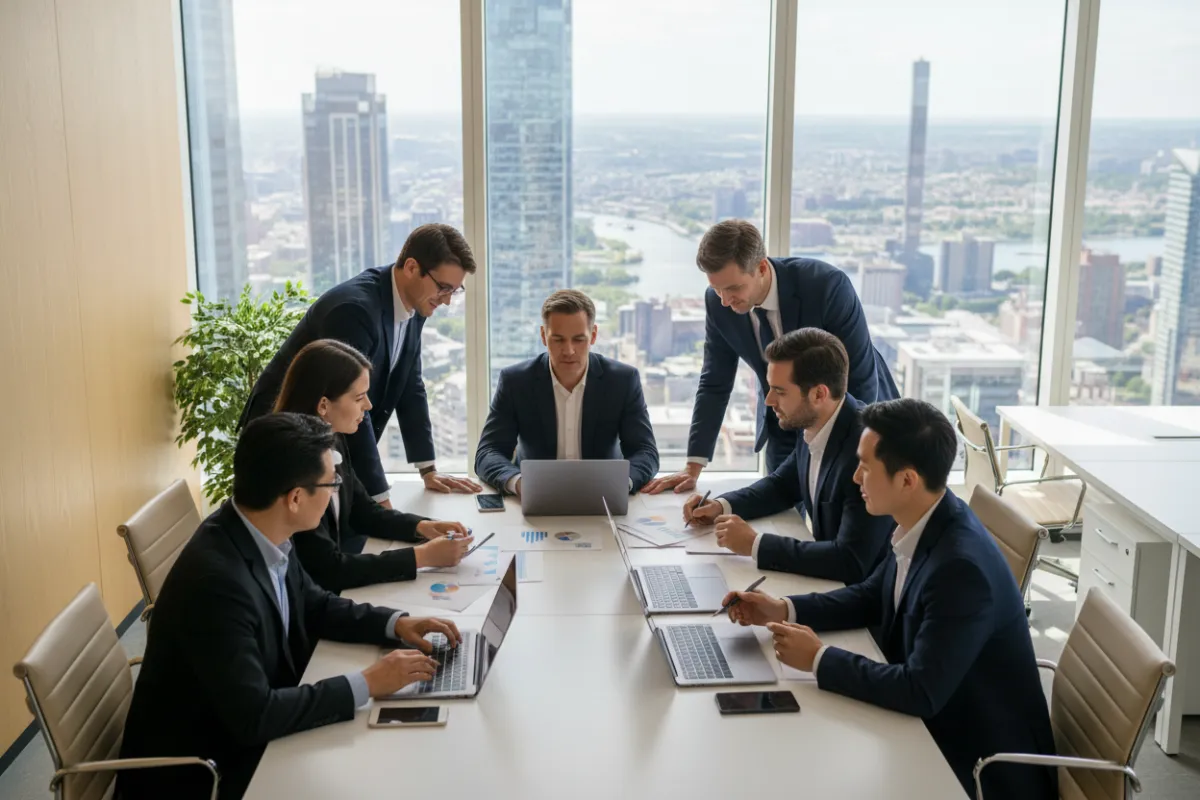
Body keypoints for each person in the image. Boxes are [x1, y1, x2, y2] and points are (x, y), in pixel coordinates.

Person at [722, 399, 1056, 799]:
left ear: (907, 480)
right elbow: (871, 597)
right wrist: (784, 608)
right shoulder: (926, 522)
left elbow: (920, 691)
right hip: (932, 723)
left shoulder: (960, 570)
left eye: (865, 466)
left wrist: (818, 658)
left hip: (975, 763)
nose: (854, 476)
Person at [118, 413, 462, 799]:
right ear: (295, 498)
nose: (337, 492)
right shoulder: (217, 583)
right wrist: (367, 682)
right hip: (206, 772)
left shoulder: (260, 532)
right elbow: (256, 716)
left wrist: (396, 624)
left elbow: (313, 604)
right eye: (332, 483)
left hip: (244, 733)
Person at [643, 219, 898, 494]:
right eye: (717, 289)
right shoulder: (717, 303)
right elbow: (714, 381)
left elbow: (859, 380)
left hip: (853, 417)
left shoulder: (827, 287)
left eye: (733, 289)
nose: (725, 300)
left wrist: (845, 449)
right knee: (781, 513)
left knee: (840, 516)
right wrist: (693, 466)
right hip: (783, 422)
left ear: (762, 267)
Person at [239, 223, 483, 505]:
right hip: (282, 439)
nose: (448, 301)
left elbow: (409, 385)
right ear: (413, 267)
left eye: (455, 290)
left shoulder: (417, 303)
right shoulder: (355, 311)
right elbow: (349, 402)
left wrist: (427, 469)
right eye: (443, 288)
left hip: (322, 438)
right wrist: (381, 500)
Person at [682, 328, 892, 584]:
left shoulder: (866, 453)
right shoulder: (816, 424)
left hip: (874, 605)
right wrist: (720, 506)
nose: (769, 401)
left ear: (818, 394)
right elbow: (782, 486)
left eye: (779, 391)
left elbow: (851, 560)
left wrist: (755, 544)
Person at [272, 339, 473, 592]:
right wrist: (422, 557)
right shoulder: (295, 467)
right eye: (359, 398)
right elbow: (327, 570)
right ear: (323, 405)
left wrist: (422, 527)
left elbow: (362, 510)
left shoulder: (332, 439)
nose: (368, 406)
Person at [474, 289, 659, 495]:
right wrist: (519, 483)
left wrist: (622, 483)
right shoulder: (516, 381)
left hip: (605, 497)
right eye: (558, 339)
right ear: (544, 336)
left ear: (594, 335)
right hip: (536, 495)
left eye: (579, 339)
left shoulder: (623, 380)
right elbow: (489, 452)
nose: (569, 350)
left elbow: (645, 451)